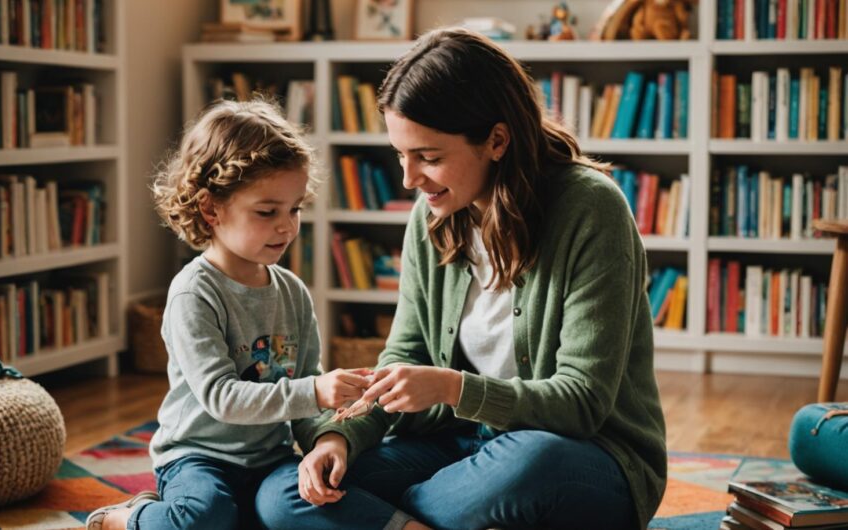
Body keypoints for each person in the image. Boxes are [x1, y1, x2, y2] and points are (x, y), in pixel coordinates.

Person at [257, 27, 667, 530]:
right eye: (401, 156)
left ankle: (388, 519)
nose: (409, 179)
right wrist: (337, 440)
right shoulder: (430, 215)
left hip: (579, 456)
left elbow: (581, 402)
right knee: (283, 493)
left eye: (428, 158)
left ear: (497, 140)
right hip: (457, 449)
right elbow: (403, 358)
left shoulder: (591, 209)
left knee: (530, 464)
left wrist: (453, 388)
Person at [85, 98, 371, 530]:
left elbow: (304, 403)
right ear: (210, 208)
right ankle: (124, 519)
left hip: (269, 458)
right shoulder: (193, 293)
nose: (287, 226)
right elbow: (221, 397)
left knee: (313, 500)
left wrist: (327, 439)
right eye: (267, 211)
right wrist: (316, 390)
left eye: (294, 209)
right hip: (197, 458)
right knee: (203, 517)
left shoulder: (292, 292)